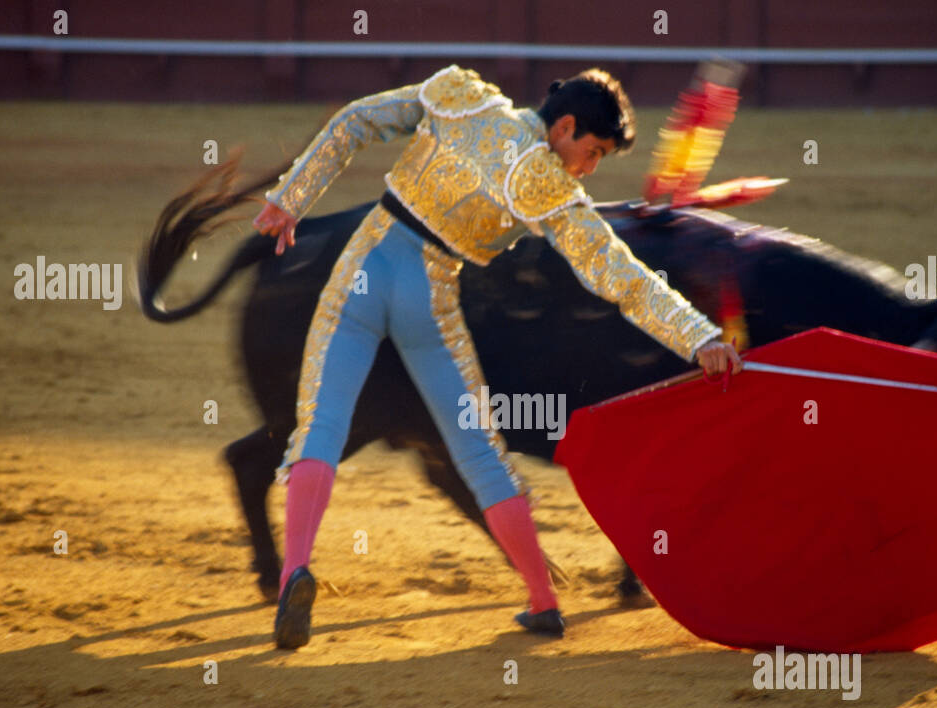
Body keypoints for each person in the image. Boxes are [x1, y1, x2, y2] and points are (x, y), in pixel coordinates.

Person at [253, 64, 742, 650]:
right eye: (593, 152)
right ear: (564, 128)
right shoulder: (546, 184)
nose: (587, 169)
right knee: (479, 449)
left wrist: (292, 198)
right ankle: (542, 599)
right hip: (427, 295)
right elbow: (620, 277)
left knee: (322, 425)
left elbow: (357, 120)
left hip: (366, 264)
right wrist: (699, 337)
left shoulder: (462, 95)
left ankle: (295, 573)